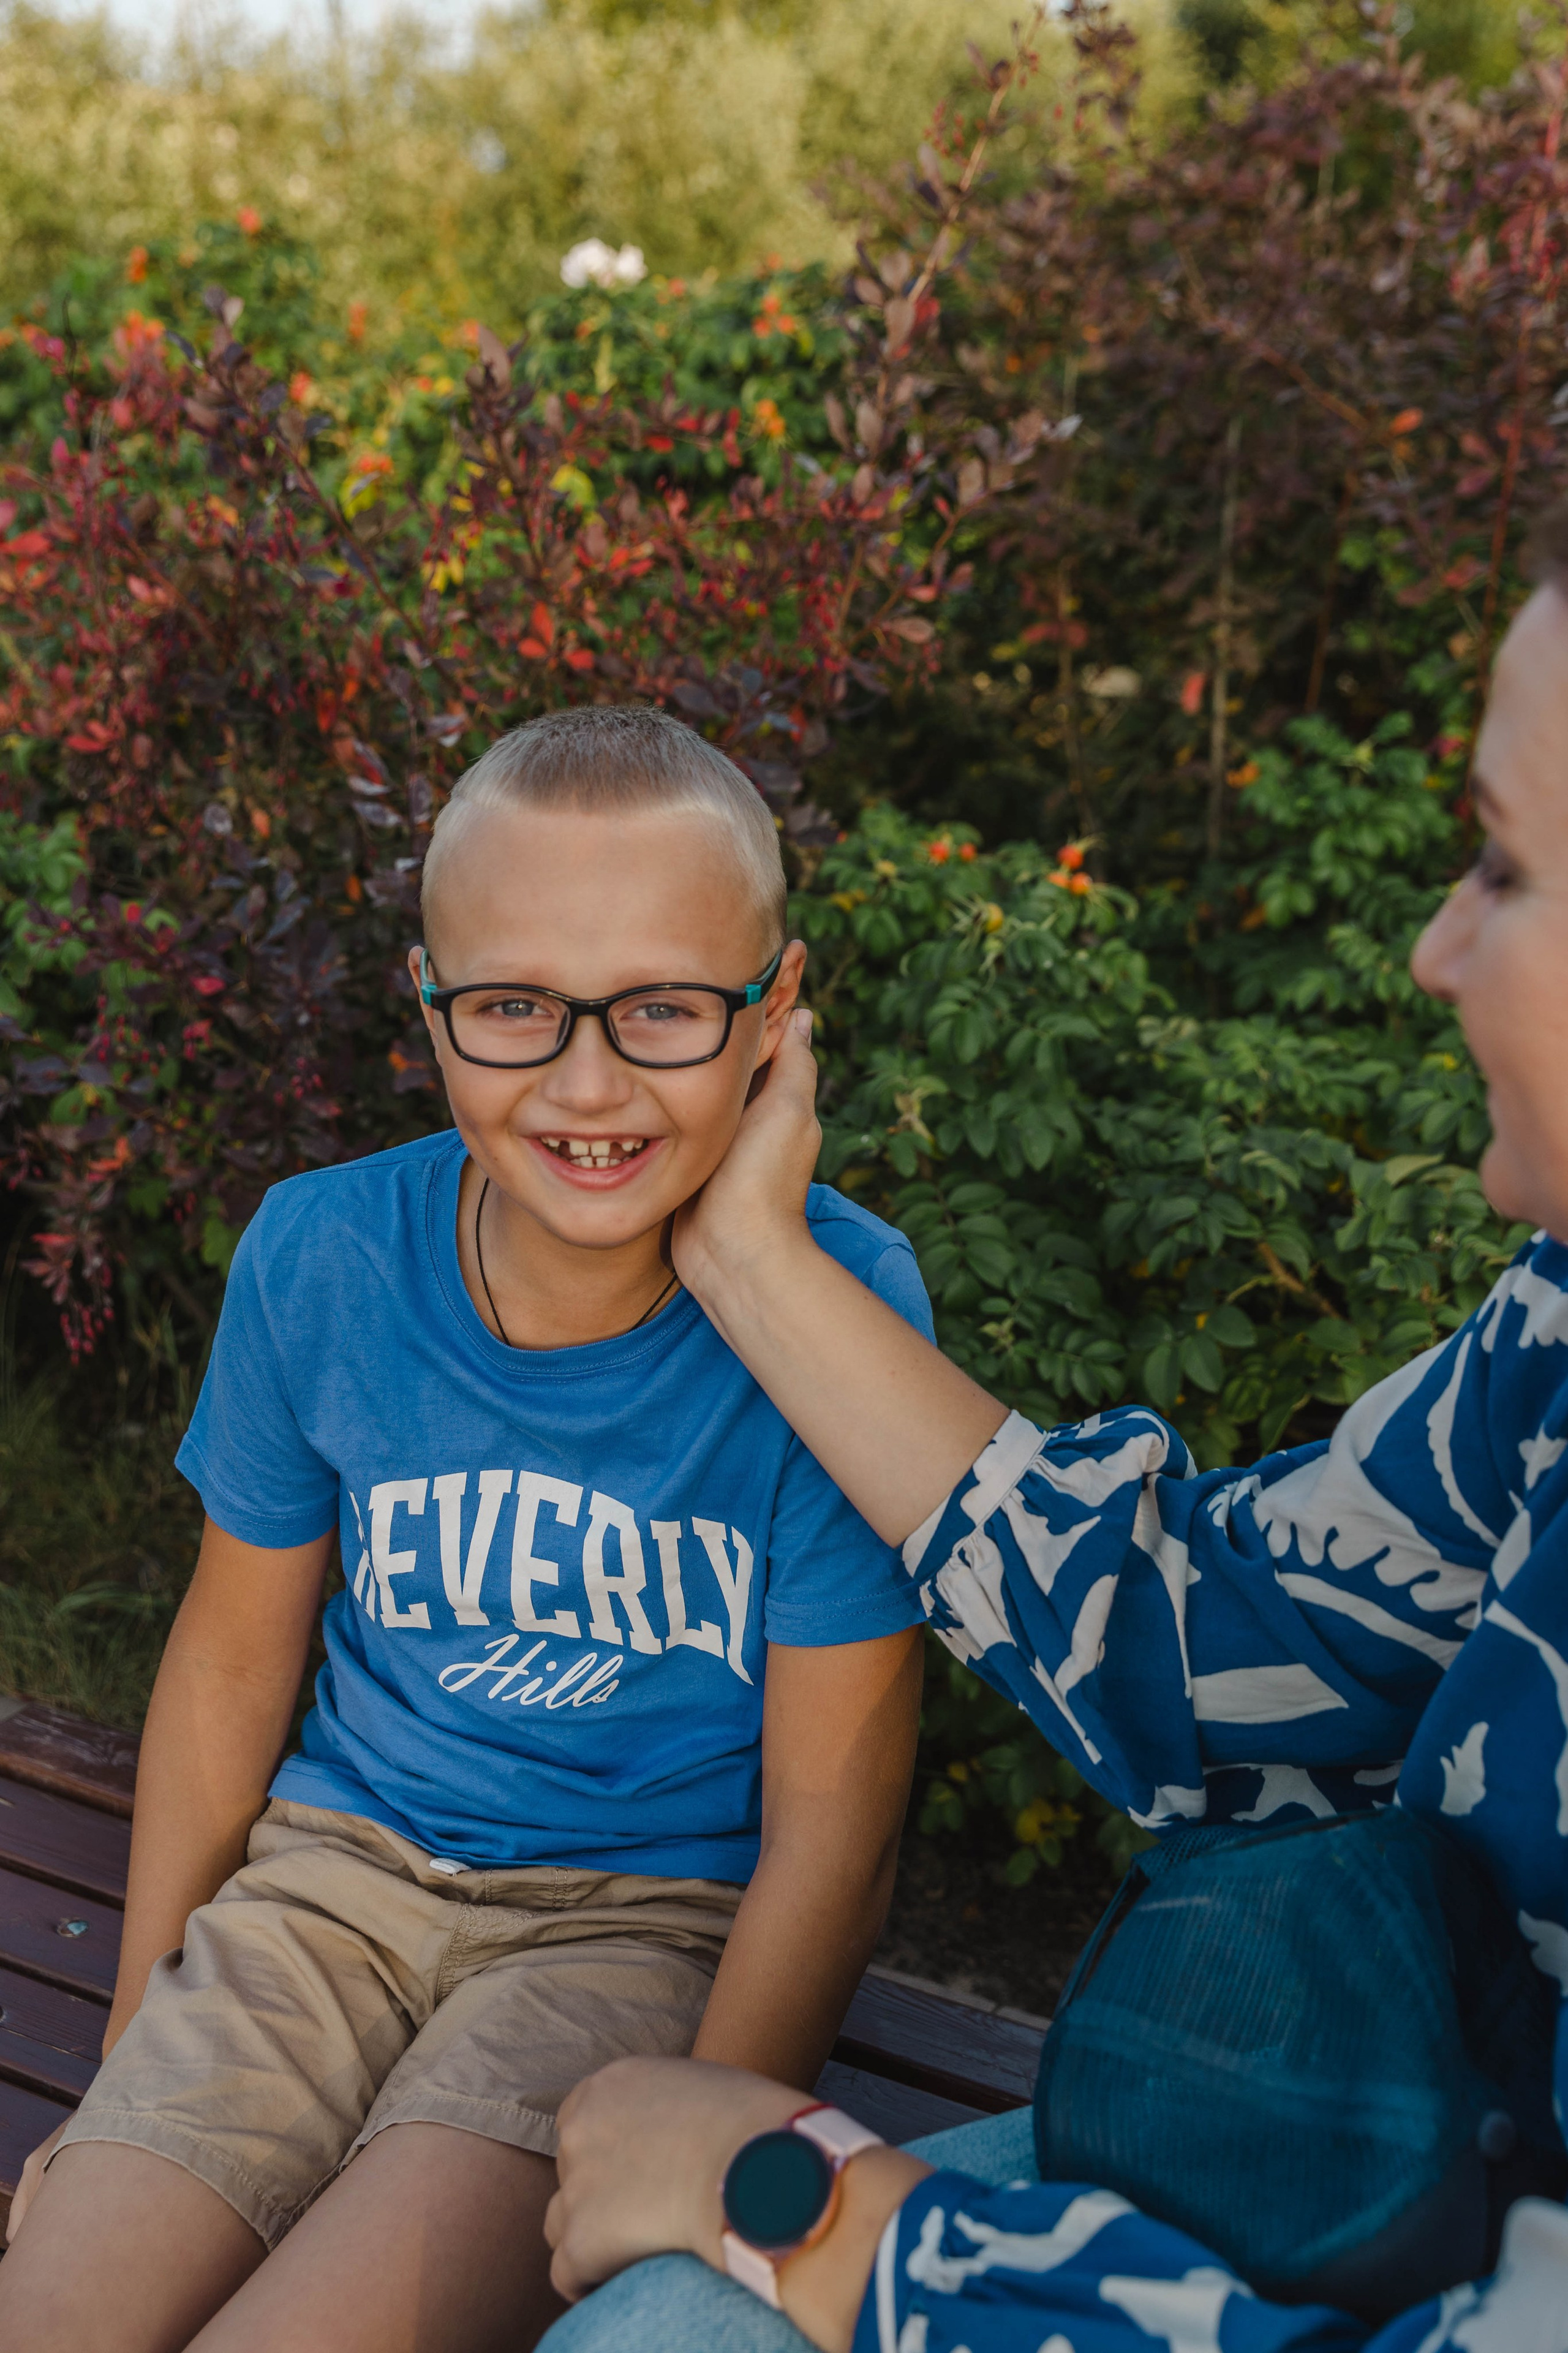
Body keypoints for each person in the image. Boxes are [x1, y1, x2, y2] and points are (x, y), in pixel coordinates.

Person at [532, 525, 1568, 2349]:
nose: (1434, 947)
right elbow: (1220, 1640)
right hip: (1399, 2151)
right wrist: (752, 1259)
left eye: (1506, 864)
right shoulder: (1556, 1335)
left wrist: (814, 2212)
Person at [0, 706, 929, 2353]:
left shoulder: (842, 1309)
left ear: (773, 1012)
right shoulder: (324, 1255)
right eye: (514, 1007)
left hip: (635, 1928)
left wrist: (699, 2153)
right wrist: (133, 2051)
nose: (587, 1082)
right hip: (328, 1891)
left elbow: (834, 1833)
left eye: (663, 1007)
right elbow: (230, 1665)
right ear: (430, 1003)